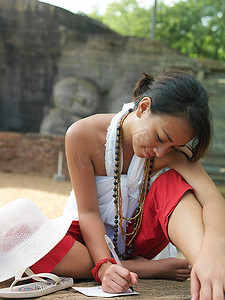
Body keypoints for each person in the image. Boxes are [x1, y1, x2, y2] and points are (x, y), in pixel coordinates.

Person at [17, 68, 225, 300]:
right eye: (160, 138)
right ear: (143, 108)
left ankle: (210, 271)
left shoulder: (172, 152)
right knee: (19, 236)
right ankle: (138, 267)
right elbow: (87, 212)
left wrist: (212, 249)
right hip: (88, 240)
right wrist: (104, 266)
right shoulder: (82, 134)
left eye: (173, 146)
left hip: (142, 238)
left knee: (173, 184)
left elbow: (212, 197)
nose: (161, 152)